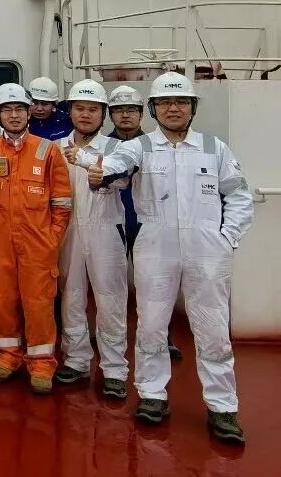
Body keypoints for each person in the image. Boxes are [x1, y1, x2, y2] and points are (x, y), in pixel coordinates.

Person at [82, 73, 252, 444]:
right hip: (155, 248)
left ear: (192, 107)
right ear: (154, 109)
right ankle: (152, 395)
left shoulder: (214, 148)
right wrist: (100, 172)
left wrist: (227, 238)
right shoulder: (139, 147)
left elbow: (239, 196)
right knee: (152, 324)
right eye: (164, 103)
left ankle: (223, 408)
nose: (173, 109)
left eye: (181, 102)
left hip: (208, 250)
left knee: (213, 329)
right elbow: (116, 167)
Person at [0, 83, 72, 395]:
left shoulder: (47, 150)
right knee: (3, 300)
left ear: (28, 113)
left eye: (19, 109)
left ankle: (41, 363)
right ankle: (7, 356)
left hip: (38, 242)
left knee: (39, 302)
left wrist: (52, 238)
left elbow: (62, 201)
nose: (14, 115)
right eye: (7, 110)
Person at [53, 80, 128, 398]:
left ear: (103, 114)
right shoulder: (54, 147)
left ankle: (114, 369)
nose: (85, 114)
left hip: (105, 231)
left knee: (110, 300)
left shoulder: (117, 148)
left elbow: (123, 180)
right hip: (67, 231)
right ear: (70, 111)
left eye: (93, 109)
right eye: (80, 108)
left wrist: (90, 165)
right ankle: (76, 360)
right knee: (71, 296)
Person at [109, 84, 183, 362]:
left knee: (158, 287)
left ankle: (164, 338)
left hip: (150, 227)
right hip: (112, 225)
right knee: (110, 286)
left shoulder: (157, 146)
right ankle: (110, 335)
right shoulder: (103, 147)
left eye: (131, 110)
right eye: (119, 110)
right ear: (110, 115)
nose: (125, 115)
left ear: (142, 113)